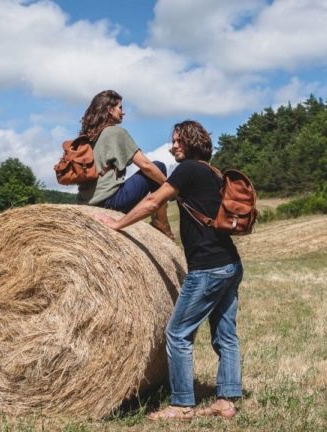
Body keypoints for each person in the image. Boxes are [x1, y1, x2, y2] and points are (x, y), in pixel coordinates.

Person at [96, 120, 243, 421]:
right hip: (230, 263)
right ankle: (226, 401)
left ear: (191, 142)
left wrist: (118, 224)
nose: (173, 145)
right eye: (173, 140)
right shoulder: (213, 173)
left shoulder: (189, 169)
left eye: (178, 140)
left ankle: (181, 405)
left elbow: (152, 201)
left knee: (177, 333)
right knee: (225, 335)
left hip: (208, 267)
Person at [76, 90, 174, 240]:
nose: (123, 112)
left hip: (86, 204)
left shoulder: (89, 137)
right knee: (158, 167)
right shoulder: (115, 132)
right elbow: (146, 166)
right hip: (110, 202)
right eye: (120, 108)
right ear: (110, 109)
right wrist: (172, 189)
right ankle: (162, 223)